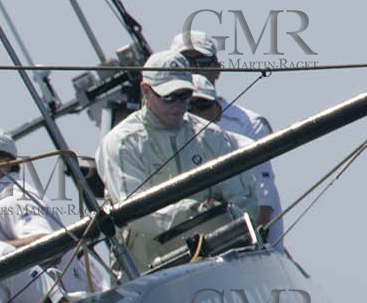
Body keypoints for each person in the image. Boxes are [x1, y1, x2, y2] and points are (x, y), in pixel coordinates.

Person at [94, 49, 259, 269]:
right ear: (145, 91)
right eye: (169, 96)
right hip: (150, 274)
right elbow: (133, 214)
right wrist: (193, 211)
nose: (178, 105)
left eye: (185, 95)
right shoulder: (121, 143)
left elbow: (244, 200)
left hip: (217, 264)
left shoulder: (213, 136)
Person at [190, 75, 283, 247]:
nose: (195, 114)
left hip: (239, 245)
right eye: (189, 107)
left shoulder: (243, 146)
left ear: (218, 110)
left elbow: (263, 203)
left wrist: (254, 244)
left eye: (202, 106)